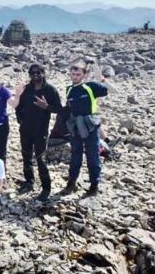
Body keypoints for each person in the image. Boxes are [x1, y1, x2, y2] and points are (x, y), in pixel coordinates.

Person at [60, 59, 117, 198]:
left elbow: (114, 91)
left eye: (78, 74)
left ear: (84, 75)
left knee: (93, 156)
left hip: (90, 126)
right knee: (75, 155)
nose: (74, 76)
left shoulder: (90, 86)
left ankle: (94, 186)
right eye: (72, 74)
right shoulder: (69, 89)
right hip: (75, 127)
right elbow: (69, 108)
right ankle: (71, 183)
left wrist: (101, 79)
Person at [15, 63, 62, 201]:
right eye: (33, 73)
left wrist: (46, 106)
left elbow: (59, 109)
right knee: (26, 156)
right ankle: (29, 181)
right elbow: (19, 106)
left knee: (41, 159)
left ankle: (46, 188)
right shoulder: (26, 89)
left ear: (43, 73)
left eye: (38, 72)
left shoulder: (50, 90)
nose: (35, 75)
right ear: (29, 75)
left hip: (41, 130)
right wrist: (20, 119)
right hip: (25, 129)